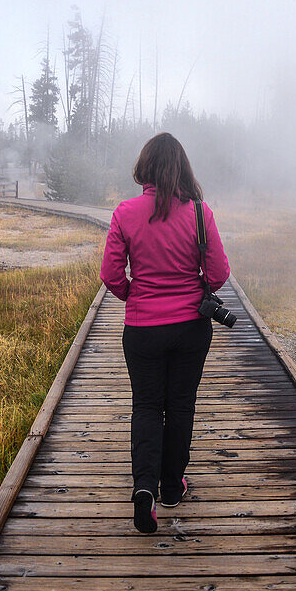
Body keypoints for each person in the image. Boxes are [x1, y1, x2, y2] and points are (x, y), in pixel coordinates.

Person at [100, 132, 231, 534]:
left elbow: (109, 276)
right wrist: (194, 285)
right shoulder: (199, 213)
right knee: (180, 405)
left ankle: (144, 490)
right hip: (191, 327)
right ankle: (172, 487)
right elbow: (219, 274)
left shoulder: (125, 212)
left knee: (145, 406)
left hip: (142, 330)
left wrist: (133, 294)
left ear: (145, 169)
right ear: (182, 169)